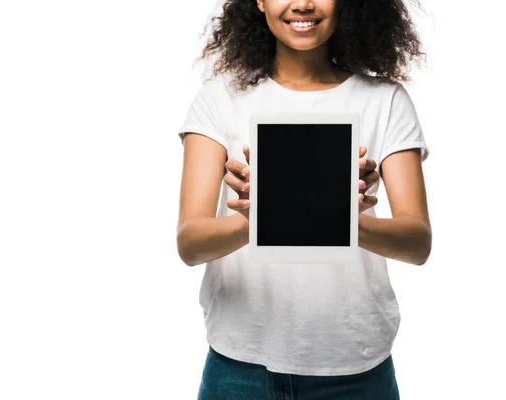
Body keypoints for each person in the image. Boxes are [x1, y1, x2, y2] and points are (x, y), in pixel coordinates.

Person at [176, 0, 431, 398]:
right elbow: (190, 243)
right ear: (259, 1)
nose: (303, 3)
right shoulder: (219, 99)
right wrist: (262, 217)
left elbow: (417, 243)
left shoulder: (385, 100)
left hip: (356, 371)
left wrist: (343, 217)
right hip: (241, 371)